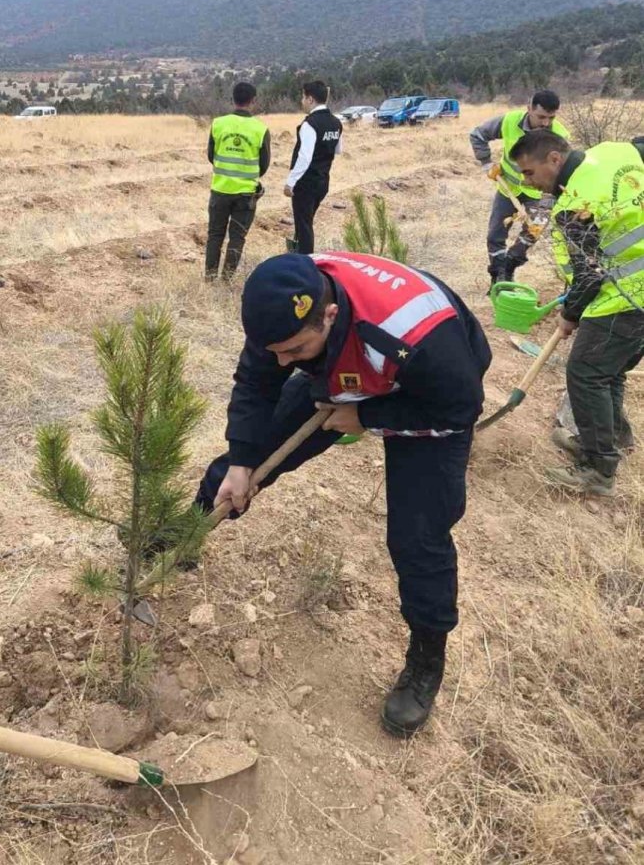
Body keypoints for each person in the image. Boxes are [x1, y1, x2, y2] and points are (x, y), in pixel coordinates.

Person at [192, 251, 491, 737]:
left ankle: (425, 660)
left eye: (293, 351)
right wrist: (245, 458)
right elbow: (256, 381)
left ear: (328, 314)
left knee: (418, 538)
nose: (283, 363)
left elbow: (460, 410)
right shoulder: (280, 305)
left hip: (430, 395)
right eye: (276, 353)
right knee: (242, 460)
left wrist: (369, 417)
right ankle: (178, 537)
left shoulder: (417, 338)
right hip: (350, 365)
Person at [512, 129, 644, 497]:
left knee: (586, 374)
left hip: (626, 299)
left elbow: (588, 274)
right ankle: (610, 439)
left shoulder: (577, 203)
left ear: (554, 159)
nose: (529, 183)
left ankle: (598, 470)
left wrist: (569, 314)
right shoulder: (615, 152)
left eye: (529, 173)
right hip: (635, 293)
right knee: (609, 371)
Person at [469, 90, 570, 286]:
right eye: (541, 117)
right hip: (509, 189)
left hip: (542, 194)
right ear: (529, 109)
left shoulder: (560, 136)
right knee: (495, 235)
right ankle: (498, 279)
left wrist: (552, 200)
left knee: (532, 233)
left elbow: (564, 173)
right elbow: (478, 134)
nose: (545, 123)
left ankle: (509, 267)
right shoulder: (509, 121)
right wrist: (487, 163)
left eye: (551, 118)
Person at [205, 82, 271, 281]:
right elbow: (264, 165)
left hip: (220, 189)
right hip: (246, 194)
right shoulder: (261, 129)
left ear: (232, 100)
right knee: (237, 237)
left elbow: (211, 155)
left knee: (215, 235)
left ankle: (209, 278)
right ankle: (226, 279)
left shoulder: (218, 124)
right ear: (253, 101)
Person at [284, 81, 343, 254]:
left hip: (306, 184)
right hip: (323, 181)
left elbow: (304, 157)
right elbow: (338, 149)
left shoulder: (309, 124)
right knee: (305, 223)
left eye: (303, 97)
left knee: (304, 227)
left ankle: (305, 263)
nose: (301, 101)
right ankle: (299, 254)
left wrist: (290, 182)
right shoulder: (336, 123)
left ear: (310, 99)